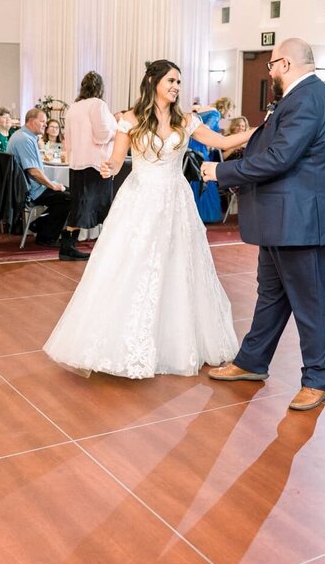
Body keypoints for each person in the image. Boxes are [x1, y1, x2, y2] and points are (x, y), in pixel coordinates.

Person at [42, 60, 254, 378]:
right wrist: (107, 169)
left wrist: (263, 129)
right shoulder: (130, 119)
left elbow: (222, 142)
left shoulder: (186, 120)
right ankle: (121, 343)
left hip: (176, 200)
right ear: (154, 81)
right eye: (171, 80)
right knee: (133, 265)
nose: (176, 87)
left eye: (179, 82)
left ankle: (175, 341)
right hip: (139, 199)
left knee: (179, 267)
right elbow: (116, 161)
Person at [202, 37, 325, 411]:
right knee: (271, 294)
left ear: (285, 64)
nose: (269, 71)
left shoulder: (309, 99)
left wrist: (221, 170)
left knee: (309, 300)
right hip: (283, 220)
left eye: (271, 65)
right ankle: (252, 361)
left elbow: (280, 157)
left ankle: (317, 379)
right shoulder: (301, 98)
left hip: (301, 222)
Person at [8, 108, 83, 259]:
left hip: (28, 186)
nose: (45, 125)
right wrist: (52, 185)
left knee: (69, 193)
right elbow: (33, 171)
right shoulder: (24, 139)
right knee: (70, 198)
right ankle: (45, 236)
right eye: (42, 121)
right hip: (30, 189)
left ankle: (39, 224)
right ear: (31, 121)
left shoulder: (25, 136)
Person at [62, 71, 118, 243]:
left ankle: (68, 245)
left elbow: (68, 138)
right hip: (96, 164)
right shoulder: (98, 104)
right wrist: (118, 130)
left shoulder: (74, 107)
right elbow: (101, 136)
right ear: (101, 88)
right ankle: (106, 247)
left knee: (78, 207)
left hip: (77, 163)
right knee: (101, 209)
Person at [187, 97, 230, 223]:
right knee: (203, 176)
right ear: (225, 108)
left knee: (191, 177)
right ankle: (202, 214)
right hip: (199, 146)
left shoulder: (202, 109)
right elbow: (206, 130)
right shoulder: (215, 114)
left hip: (189, 144)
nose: (228, 115)